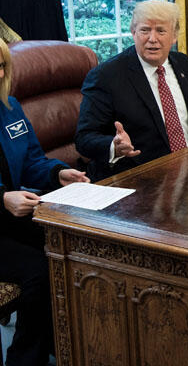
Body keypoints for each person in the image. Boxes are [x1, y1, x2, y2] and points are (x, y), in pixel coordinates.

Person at [75, 0, 188, 182]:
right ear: (133, 32)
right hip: (141, 178)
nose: (152, 39)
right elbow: (84, 138)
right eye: (144, 30)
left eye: (161, 31)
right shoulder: (106, 76)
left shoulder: (182, 63)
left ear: (174, 36)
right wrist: (114, 147)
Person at [0, 38, 90, 366]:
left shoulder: (9, 107)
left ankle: (65, 345)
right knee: (39, 270)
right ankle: (24, 359)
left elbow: (32, 162)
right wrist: (2, 199)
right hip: (3, 214)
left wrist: (58, 173)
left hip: (12, 216)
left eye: (0, 66)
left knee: (70, 245)